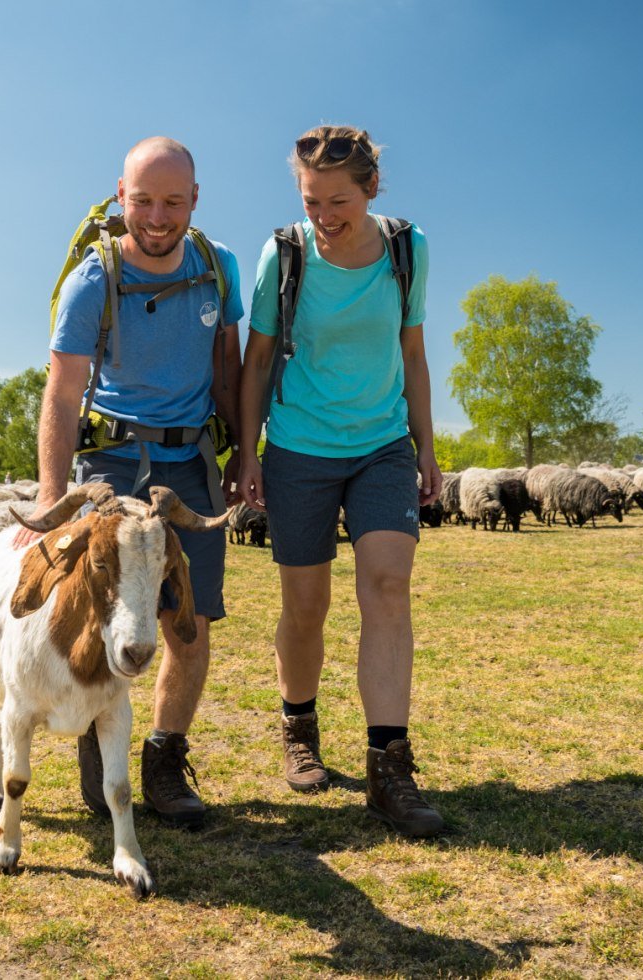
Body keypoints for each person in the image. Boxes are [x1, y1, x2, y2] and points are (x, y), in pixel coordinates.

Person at [19, 137, 243, 829]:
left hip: (191, 465)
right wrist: (52, 495)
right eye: (143, 200)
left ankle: (165, 758)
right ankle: (99, 744)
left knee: (189, 620)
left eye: (173, 201)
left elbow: (228, 368)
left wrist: (246, 455)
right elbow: (61, 394)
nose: (157, 215)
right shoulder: (95, 279)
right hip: (111, 467)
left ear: (194, 202)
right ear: (121, 196)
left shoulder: (217, 268)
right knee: (103, 613)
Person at [234, 125, 445, 838]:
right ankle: (298, 725)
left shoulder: (409, 251)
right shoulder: (285, 255)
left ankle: (390, 766)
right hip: (298, 447)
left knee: (387, 586)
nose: (324, 217)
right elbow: (257, 360)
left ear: (371, 191)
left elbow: (412, 352)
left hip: (382, 444)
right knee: (307, 604)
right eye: (311, 200)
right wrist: (248, 452)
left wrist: (426, 445)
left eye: (339, 202)